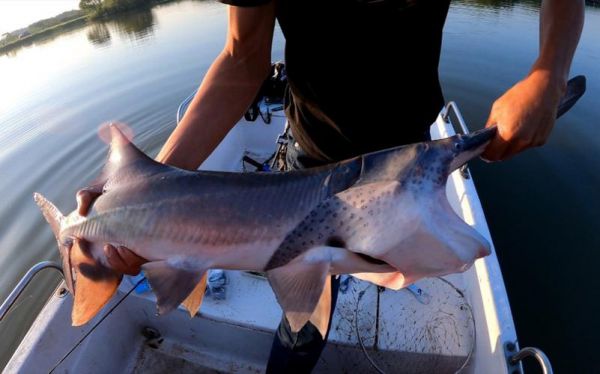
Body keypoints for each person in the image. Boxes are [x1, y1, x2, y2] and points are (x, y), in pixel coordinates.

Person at [78, 0, 584, 372]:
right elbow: (240, 58)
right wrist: (146, 188)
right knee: (303, 320)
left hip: (406, 154)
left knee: (389, 267)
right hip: (310, 162)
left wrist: (549, 71)